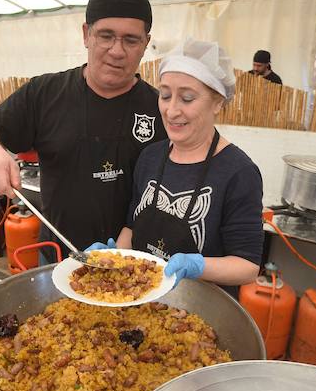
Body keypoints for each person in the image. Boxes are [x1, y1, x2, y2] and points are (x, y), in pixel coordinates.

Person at [0, 0, 166, 260]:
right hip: (58, 255)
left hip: (136, 263)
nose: (117, 50)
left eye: (131, 39)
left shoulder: (161, 108)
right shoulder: (45, 93)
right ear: (86, 34)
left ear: (146, 43)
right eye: (106, 35)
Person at [110, 39, 263, 295]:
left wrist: (197, 266)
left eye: (187, 98)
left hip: (198, 311)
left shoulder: (239, 172)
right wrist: (113, 259)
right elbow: (132, 226)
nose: (171, 111)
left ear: (218, 102)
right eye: (165, 95)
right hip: (139, 298)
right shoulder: (150, 156)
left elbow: (247, 267)